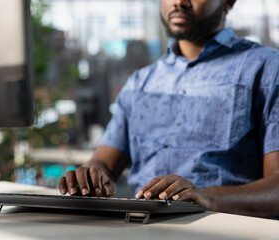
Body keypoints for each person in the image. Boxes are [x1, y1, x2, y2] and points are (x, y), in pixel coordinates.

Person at [58, 0, 279, 218]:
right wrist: (89, 175)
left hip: (225, 230)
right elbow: (104, 163)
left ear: (228, 2)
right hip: (140, 230)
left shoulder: (267, 68)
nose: (179, 2)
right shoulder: (140, 82)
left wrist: (208, 198)